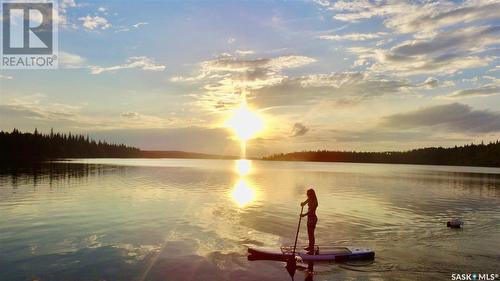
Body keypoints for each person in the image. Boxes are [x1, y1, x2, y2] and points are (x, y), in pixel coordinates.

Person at [300, 188, 318, 254]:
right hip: (309, 218)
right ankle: (310, 247)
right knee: (309, 233)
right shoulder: (310, 199)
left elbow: (311, 211)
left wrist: (303, 215)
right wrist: (303, 203)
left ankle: (312, 249)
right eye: (307, 194)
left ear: (312, 194)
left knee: (311, 234)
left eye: (309, 194)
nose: (308, 196)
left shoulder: (315, 202)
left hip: (313, 219)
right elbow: (305, 202)